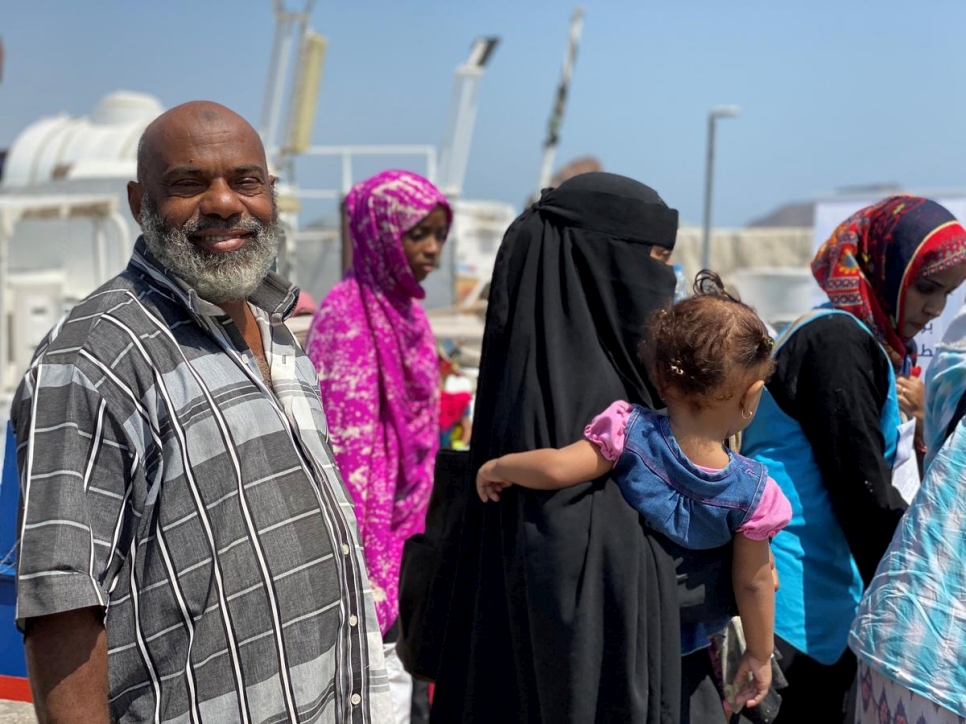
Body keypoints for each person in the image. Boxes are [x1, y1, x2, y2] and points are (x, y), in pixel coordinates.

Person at [12, 101, 392, 723]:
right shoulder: (94, 356)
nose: (222, 203)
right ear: (140, 201)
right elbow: (62, 603)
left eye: (245, 181)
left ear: (270, 192)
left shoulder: (277, 331)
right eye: (189, 184)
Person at [425, 172, 738, 723]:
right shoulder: (562, 418)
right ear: (602, 266)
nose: (666, 279)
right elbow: (586, 577)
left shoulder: (611, 385)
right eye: (656, 258)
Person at [476, 272, 792, 713]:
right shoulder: (755, 493)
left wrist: (498, 466)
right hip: (689, 646)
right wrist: (758, 655)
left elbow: (558, 466)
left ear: (662, 376)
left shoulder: (628, 431)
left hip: (619, 631)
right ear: (751, 396)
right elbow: (753, 581)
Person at [741, 196, 966, 722]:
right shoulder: (836, 341)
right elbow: (860, 486)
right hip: (787, 598)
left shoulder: (856, 339)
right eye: (926, 288)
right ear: (883, 268)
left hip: (818, 593)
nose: (935, 310)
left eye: (948, 295)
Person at [304, 169, 451, 723]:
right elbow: (345, 459)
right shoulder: (347, 316)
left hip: (408, 535)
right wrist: (365, 570)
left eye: (439, 234)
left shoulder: (409, 313)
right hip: (366, 547)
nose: (433, 249)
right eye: (419, 234)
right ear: (380, 233)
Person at [846, 306, 966, 723]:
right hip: (943, 671)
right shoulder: (841, 341)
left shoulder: (951, 362)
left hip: (896, 631)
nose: (932, 307)